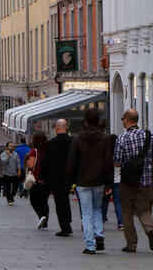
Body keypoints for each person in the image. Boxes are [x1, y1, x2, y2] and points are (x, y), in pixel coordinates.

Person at [65, 108, 114, 254]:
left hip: (82, 180)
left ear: (85, 121)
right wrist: (109, 183)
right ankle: (99, 235)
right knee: (97, 208)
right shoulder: (105, 139)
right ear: (98, 120)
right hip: (99, 180)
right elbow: (108, 162)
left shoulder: (78, 138)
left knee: (86, 212)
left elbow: (72, 161)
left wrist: (69, 182)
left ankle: (90, 244)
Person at [113, 108, 153, 252]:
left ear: (127, 120)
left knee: (127, 211)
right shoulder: (149, 136)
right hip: (147, 181)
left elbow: (117, 161)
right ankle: (149, 231)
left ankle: (131, 244)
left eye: (123, 119)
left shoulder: (122, 138)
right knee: (143, 209)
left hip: (128, 182)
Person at [42, 119, 73, 237]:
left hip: (56, 178)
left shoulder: (52, 143)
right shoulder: (72, 141)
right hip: (69, 176)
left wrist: (43, 176)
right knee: (66, 200)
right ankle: (68, 224)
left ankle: (65, 227)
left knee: (60, 203)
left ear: (56, 128)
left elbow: (47, 161)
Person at [25, 132, 50, 230]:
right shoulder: (48, 151)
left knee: (33, 200)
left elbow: (31, 165)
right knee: (44, 201)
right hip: (47, 179)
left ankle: (41, 216)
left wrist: (27, 162)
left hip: (36, 179)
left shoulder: (34, 151)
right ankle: (45, 224)